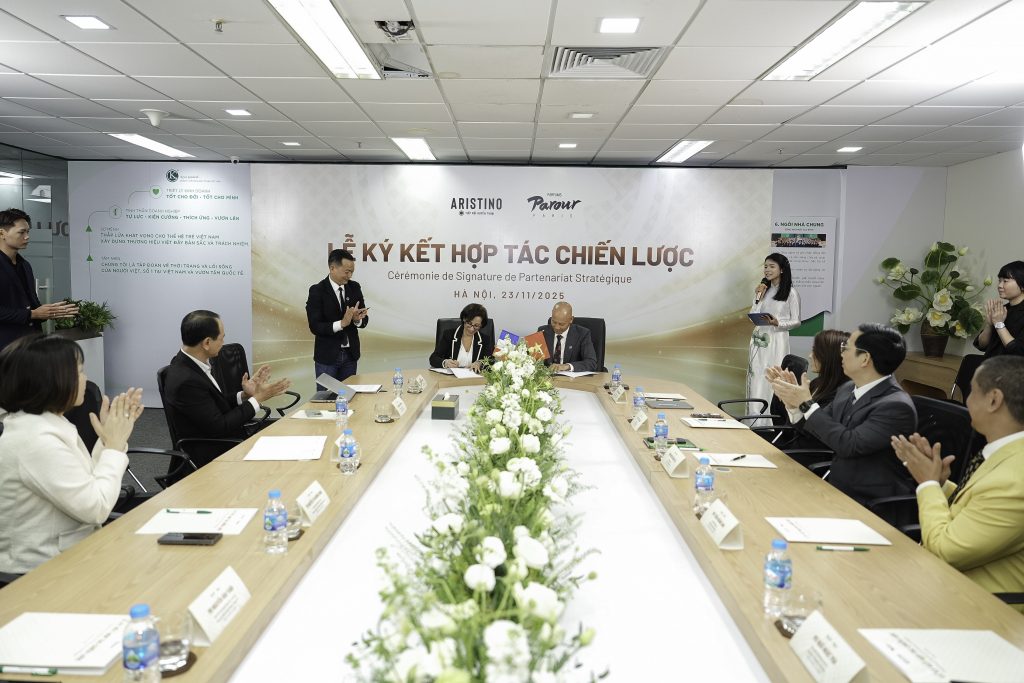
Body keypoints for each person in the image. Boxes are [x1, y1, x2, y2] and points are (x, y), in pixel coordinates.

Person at [0, 334, 143, 575]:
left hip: (72, 555)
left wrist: (107, 441)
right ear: (51, 380)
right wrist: (114, 445)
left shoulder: (46, 424)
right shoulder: (36, 440)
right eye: (80, 371)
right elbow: (96, 507)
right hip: (39, 575)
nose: (86, 379)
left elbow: (87, 482)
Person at [891, 356, 1024, 610]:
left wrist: (928, 484)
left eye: (972, 391)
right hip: (944, 585)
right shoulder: (1008, 453)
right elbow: (980, 505)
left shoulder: (1014, 481)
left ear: (994, 400)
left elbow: (945, 551)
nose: (967, 399)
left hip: (979, 607)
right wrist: (941, 483)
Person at [769, 323, 917, 505]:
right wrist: (793, 404)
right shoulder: (848, 389)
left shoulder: (895, 406)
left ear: (865, 359)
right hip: (833, 489)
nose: (841, 354)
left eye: (846, 348)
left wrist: (806, 404)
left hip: (870, 502)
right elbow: (817, 431)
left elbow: (849, 444)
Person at [162, 310, 290, 464]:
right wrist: (259, 398)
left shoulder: (188, 362)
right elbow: (220, 426)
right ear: (207, 343)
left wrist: (245, 395)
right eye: (221, 338)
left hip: (225, 440)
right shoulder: (186, 381)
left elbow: (210, 405)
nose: (223, 343)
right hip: (212, 455)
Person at [0, 208, 77, 350]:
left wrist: (50, 311)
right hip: (6, 348)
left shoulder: (25, 265)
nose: (27, 237)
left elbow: (32, 306)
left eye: (28, 232)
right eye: (21, 232)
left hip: (32, 344)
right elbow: (29, 313)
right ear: (2, 233)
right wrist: (33, 314)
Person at [746, 253, 800, 425]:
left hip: (777, 340)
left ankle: (769, 424)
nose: (767, 270)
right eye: (765, 266)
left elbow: (796, 321)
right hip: (758, 340)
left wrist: (778, 323)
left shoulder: (791, 293)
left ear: (782, 270)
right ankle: (754, 421)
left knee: (772, 377)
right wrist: (757, 298)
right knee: (756, 377)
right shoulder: (763, 290)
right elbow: (753, 315)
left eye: (772, 266)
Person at [306, 249, 369, 386]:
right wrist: (341, 323)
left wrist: (357, 319)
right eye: (347, 272)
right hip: (327, 357)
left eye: (352, 272)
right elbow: (315, 326)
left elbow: (364, 318)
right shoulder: (317, 290)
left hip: (350, 356)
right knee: (326, 397)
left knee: (349, 396)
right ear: (332, 268)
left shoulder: (354, 287)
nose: (349, 276)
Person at [974, 260, 1024, 358]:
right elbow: (981, 345)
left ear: (1022, 285)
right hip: (990, 364)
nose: (1000, 286)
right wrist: (989, 325)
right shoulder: (1002, 310)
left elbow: (1018, 351)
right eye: (999, 281)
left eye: (1005, 281)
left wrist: (999, 324)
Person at [429, 303, 493, 373]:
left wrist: (480, 363)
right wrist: (445, 362)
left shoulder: (485, 339)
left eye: (476, 326)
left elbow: (490, 360)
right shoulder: (449, 335)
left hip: (474, 378)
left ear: (481, 325)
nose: (472, 329)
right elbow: (433, 358)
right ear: (464, 319)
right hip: (450, 378)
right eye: (469, 323)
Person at [537, 301, 599, 373]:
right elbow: (532, 360)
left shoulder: (582, 334)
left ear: (571, 319)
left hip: (571, 379)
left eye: (561, 324)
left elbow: (591, 363)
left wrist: (567, 366)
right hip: (547, 378)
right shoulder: (542, 331)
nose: (557, 327)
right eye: (554, 322)